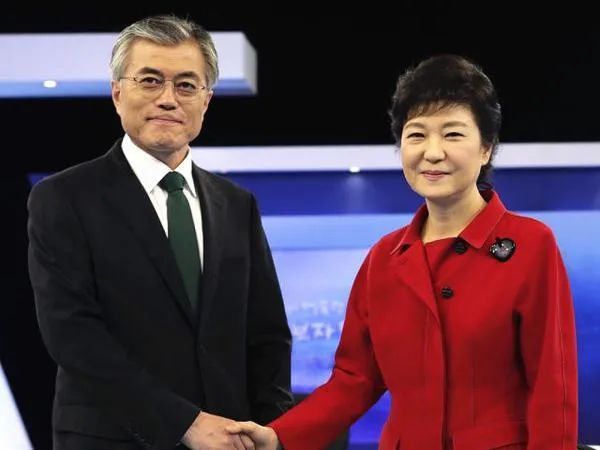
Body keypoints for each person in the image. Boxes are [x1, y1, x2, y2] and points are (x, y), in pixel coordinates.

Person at [227, 54, 578, 449]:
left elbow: (553, 385)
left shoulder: (530, 245)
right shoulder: (384, 258)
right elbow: (354, 380)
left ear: (486, 149)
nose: (432, 152)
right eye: (416, 135)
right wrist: (279, 436)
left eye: (453, 134)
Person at [27, 14, 293, 450]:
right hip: (112, 439)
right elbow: (73, 336)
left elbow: (266, 334)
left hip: (230, 440)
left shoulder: (237, 205)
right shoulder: (63, 198)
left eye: (186, 85)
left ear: (206, 100)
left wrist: (275, 430)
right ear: (117, 93)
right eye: (150, 81)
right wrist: (185, 424)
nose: (168, 99)